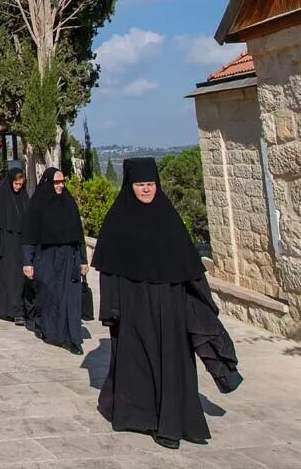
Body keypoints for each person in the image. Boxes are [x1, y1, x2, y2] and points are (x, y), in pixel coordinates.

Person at [93, 158, 242, 450]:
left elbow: (190, 268)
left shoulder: (169, 218)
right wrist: (111, 310)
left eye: (150, 184)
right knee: (138, 363)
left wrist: (205, 303)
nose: (146, 190)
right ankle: (140, 418)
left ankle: (170, 426)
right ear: (130, 186)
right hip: (134, 309)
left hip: (170, 310)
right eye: (140, 185)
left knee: (171, 364)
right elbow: (108, 270)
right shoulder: (118, 219)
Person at [22, 168, 87, 355]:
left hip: (69, 257)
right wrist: (28, 261)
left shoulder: (69, 203)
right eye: (56, 182)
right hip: (47, 257)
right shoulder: (38, 204)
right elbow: (30, 235)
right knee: (49, 295)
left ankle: (71, 338)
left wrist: (83, 260)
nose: (60, 186)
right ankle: (49, 330)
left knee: (70, 298)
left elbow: (78, 234)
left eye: (62, 182)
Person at [0, 167, 28, 324]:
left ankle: (14, 309)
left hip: (20, 245)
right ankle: (14, 311)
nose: (18, 187)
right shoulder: (0, 197)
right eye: (16, 184)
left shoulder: (23, 197)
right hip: (5, 247)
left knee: (19, 279)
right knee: (8, 279)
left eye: (20, 184)